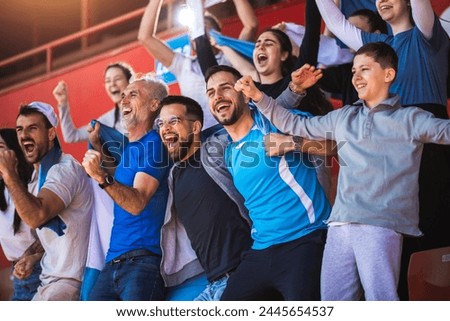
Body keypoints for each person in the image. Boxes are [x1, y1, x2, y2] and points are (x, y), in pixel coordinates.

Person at [250, 42, 450, 300]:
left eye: (365, 69)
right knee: (333, 304)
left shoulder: (411, 118)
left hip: (381, 224)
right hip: (339, 224)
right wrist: (259, 98)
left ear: (388, 75)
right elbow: (294, 123)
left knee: (382, 300)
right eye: (354, 70)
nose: (356, 76)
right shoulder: (344, 116)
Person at [315, 0, 450, 300]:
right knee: (394, 260)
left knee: (435, 243)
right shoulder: (378, 47)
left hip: (431, 146)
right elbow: (336, 24)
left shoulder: (428, 34)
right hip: (388, 152)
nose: (382, 0)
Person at [204, 65, 331, 300]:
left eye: (225, 88)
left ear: (243, 92)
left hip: (305, 238)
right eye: (211, 93)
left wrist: (293, 142)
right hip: (261, 249)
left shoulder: (275, 123)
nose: (218, 96)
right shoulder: (229, 153)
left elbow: (333, 145)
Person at [82, 75, 170, 301]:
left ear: (154, 105)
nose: (124, 100)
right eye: (123, 96)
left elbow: (136, 202)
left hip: (142, 262)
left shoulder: (155, 144)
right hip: (112, 262)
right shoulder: (130, 149)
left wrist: (100, 175)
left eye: (133, 94)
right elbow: (121, 184)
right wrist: (100, 146)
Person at [157, 95, 252, 301]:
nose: (165, 128)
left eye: (174, 120)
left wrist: (293, 91)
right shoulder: (173, 176)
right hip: (213, 282)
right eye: (161, 123)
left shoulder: (214, 149)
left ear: (195, 127)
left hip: (244, 270)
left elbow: (250, 122)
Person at [0, 102, 93, 300]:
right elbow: (56, 237)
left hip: (70, 283)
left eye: (32, 128)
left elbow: (36, 216)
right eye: (19, 129)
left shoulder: (63, 170)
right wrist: (33, 258)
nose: (24, 135)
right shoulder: (37, 180)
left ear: (51, 133)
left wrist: (8, 172)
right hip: (48, 281)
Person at [137, 0, 258, 130]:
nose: (200, 32)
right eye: (196, 29)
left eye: (205, 27)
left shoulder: (232, 56)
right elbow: (145, 37)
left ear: (218, 33)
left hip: (238, 128)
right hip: (204, 137)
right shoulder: (183, 65)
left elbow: (251, 25)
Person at [0, 128, 43, 301]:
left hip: (41, 270)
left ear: (16, 152)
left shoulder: (35, 183)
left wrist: (32, 255)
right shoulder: (2, 190)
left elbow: (50, 236)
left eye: (1, 146)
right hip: (18, 273)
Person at [319, 9, 388, 106]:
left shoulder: (391, 65)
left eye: (355, 30)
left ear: (375, 34)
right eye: (347, 31)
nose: (349, 36)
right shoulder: (347, 71)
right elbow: (317, 76)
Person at [53, 62, 134, 143]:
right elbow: (71, 136)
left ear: (130, 82)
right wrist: (63, 103)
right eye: (108, 81)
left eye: (117, 79)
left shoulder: (144, 107)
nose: (112, 84)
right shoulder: (107, 120)